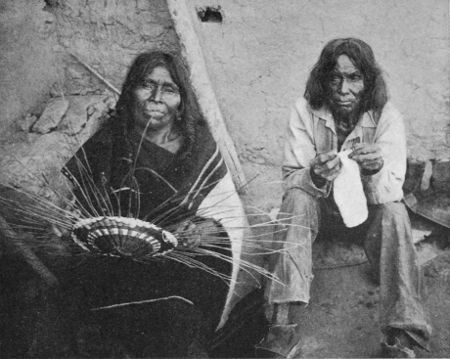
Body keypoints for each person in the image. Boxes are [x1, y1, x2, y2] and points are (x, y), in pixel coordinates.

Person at [25, 51, 250, 358]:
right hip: (112, 257)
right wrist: (73, 226)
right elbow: (71, 201)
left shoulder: (200, 150)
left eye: (169, 89)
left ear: (182, 101)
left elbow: (228, 217)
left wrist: (203, 231)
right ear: (131, 90)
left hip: (177, 261)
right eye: (147, 85)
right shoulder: (109, 139)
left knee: (176, 313)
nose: (156, 97)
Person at [257, 38, 432, 358]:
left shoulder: (386, 116)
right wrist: (315, 174)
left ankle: (402, 331)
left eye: (354, 78)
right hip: (320, 215)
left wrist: (374, 169)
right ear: (323, 79)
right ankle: (283, 324)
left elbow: (393, 189)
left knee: (395, 212)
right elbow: (290, 179)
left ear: (368, 82)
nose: (343, 88)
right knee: (296, 198)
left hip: (367, 217)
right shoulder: (304, 110)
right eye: (335, 77)